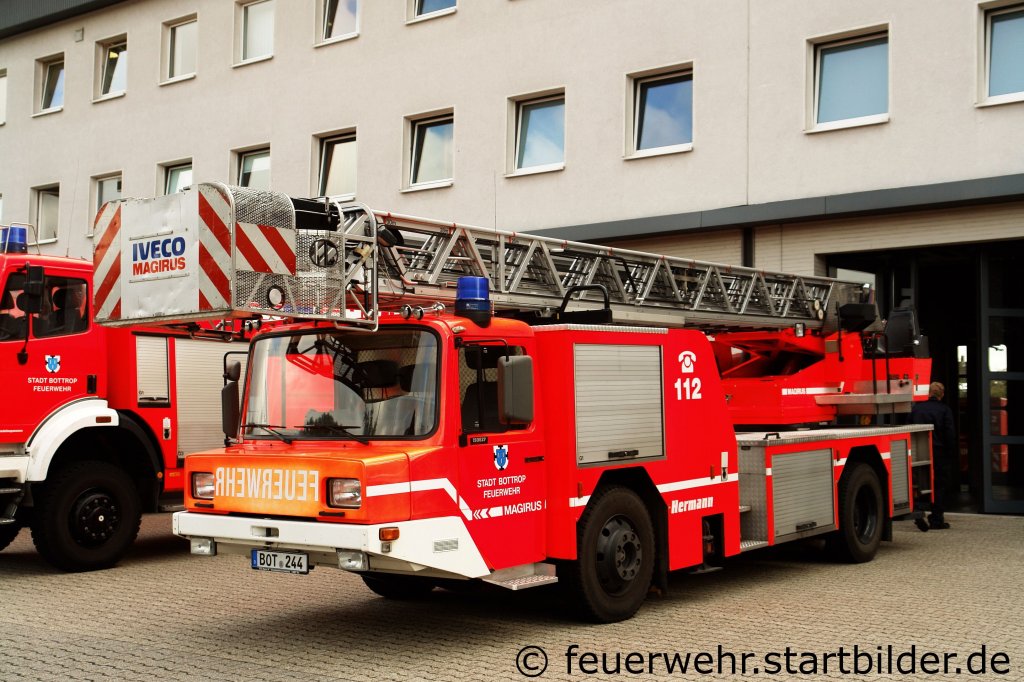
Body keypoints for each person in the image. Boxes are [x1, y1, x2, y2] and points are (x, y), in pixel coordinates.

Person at [911, 381, 956, 529]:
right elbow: (949, 434)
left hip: (918, 452)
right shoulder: (945, 410)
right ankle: (936, 519)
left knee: (918, 482)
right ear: (941, 395)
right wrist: (950, 452)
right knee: (939, 485)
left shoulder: (917, 409)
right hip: (938, 453)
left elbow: (908, 428)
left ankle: (918, 511)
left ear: (928, 393)